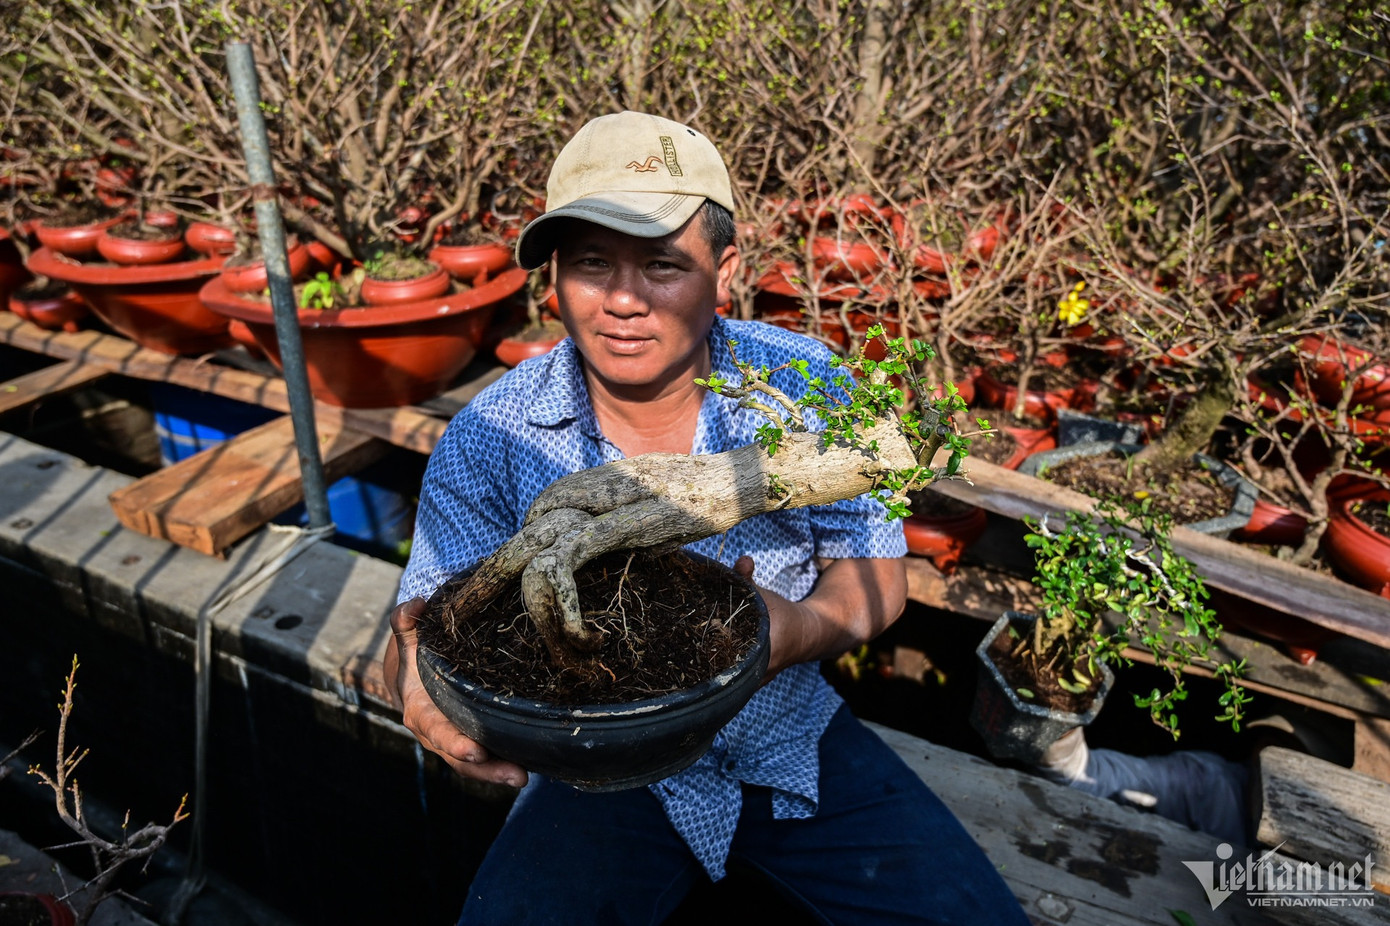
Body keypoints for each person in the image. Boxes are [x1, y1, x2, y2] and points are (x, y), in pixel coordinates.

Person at [384, 110, 1030, 925]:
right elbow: (426, 621)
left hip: (790, 734)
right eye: (590, 264)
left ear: (724, 271)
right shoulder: (490, 434)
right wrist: (414, 678)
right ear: (552, 279)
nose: (622, 301)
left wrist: (792, 632)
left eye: (661, 265)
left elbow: (875, 574)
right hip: (596, 768)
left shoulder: (807, 384)